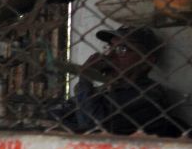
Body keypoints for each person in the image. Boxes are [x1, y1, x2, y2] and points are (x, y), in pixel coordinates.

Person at [55, 26, 186, 137]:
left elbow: (91, 127)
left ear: (147, 60)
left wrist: (86, 77)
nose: (110, 55)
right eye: (109, 47)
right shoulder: (107, 89)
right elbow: (63, 112)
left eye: (122, 49)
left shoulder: (149, 95)